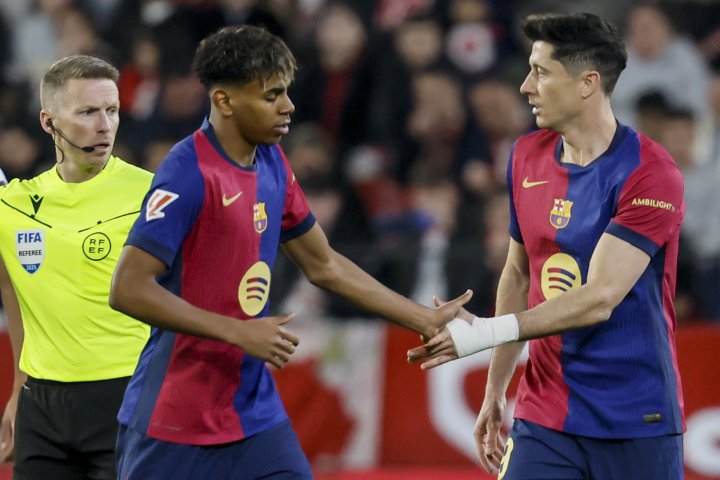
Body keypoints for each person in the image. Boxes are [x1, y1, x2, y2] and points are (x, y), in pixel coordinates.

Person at [108, 25, 471, 479]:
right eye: (271, 96)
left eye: (287, 92)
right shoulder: (187, 172)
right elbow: (127, 288)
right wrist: (237, 332)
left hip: (253, 413)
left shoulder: (273, 162)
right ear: (224, 101)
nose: (289, 106)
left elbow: (325, 264)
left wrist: (422, 318)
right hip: (174, 419)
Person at [408, 13, 685, 480]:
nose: (525, 87)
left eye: (540, 72)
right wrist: (496, 389)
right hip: (545, 416)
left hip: (637, 417)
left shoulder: (649, 172)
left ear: (587, 84)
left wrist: (481, 333)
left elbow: (599, 297)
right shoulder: (526, 155)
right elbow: (518, 273)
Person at [0, 55, 153, 478]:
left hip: (127, 397)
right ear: (49, 122)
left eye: (112, 110)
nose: (104, 125)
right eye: (87, 112)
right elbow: (12, 289)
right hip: (41, 409)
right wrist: (17, 390)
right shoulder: (13, 206)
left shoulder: (151, 194)